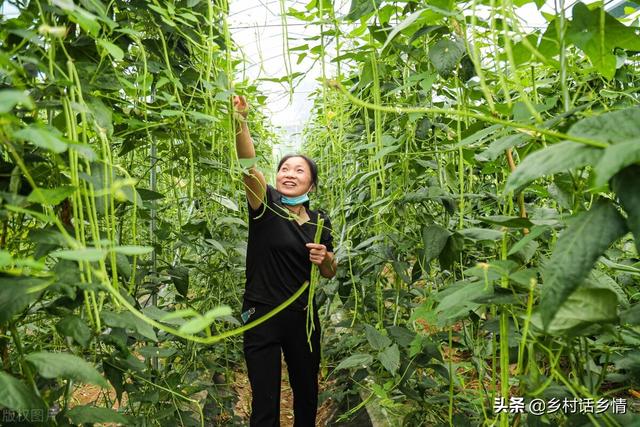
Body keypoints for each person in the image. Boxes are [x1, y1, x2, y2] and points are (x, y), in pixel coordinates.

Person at [232, 95, 337, 426]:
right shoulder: (265, 205)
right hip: (261, 313)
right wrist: (240, 121)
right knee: (265, 403)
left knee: (306, 395)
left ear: (311, 183)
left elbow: (330, 272)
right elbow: (248, 165)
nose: (290, 174)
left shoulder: (320, 221)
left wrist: (325, 259)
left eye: (299, 170)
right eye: (284, 169)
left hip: (303, 320)